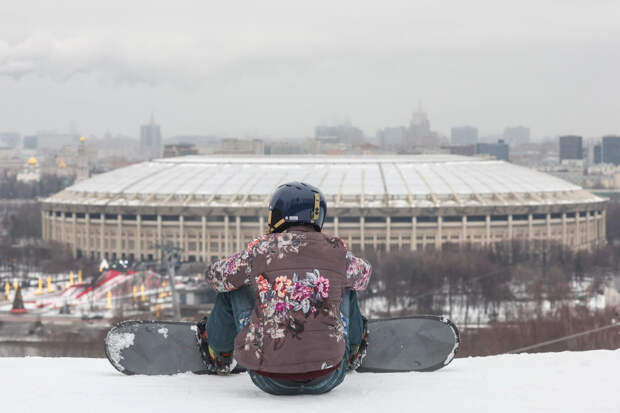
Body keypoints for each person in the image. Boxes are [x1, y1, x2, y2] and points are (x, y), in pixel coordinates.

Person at [197, 181, 372, 395]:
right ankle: (353, 351)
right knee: (347, 284)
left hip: (268, 377)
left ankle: (220, 355)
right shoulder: (338, 251)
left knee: (233, 286)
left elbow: (216, 277)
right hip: (329, 375)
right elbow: (364, 277)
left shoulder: (261, 249)